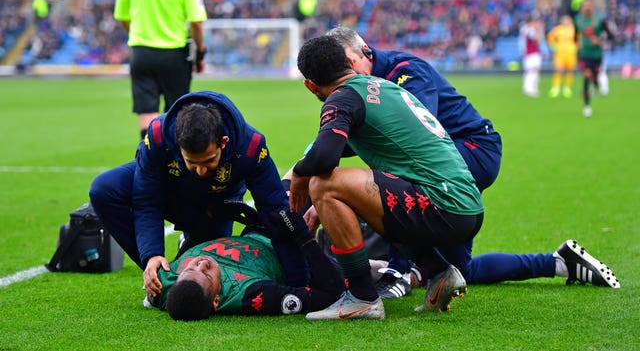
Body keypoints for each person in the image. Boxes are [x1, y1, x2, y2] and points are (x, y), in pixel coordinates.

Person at [321, 26, 620, 295]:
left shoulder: (405, 70)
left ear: (366, 52)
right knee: (461, 270)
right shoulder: (362, 86)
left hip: (475, 149)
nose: (346, 74)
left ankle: (398, 272)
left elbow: (409, 136)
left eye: (349, 64)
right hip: (449, 157)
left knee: (395, 175)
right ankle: (558, 263)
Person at [290, 35, 486, 320]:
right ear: (348, 63)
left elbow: (324, 159)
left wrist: (298, 173)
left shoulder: (342, 99)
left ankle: (361, 297)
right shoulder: (383, 86)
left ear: (310, 85)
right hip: (464, 204)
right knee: (361, 192)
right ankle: (437, 271)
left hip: (444, 206)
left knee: (322, 183)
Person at [89, 90, 311, 301]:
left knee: (209, 262)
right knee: (104, 189)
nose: (202, 171)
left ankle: (191, 242)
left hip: (214, 205)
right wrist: (151, 254)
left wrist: (299, 282)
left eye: (209, 161)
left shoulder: (251, 146)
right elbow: (147, 201)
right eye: (192, 162)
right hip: (171, 191)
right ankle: (161, 276)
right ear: (179, 145)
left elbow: (275, 210)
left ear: (223, 143)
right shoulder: (157, 136)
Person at [144, 209, 344, 321]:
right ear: (216, 301)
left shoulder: (164, 285)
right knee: (322, 185)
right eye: (206, 275)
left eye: (190, 268)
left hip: (254, 230)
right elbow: (329, 292)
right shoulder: (251, 294)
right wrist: (302, 236)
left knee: (300, 174)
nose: (201, 264)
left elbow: (155, 294)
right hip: (284, 241)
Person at [113, 0, 208, 140]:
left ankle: (149, 161)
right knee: (177, 113)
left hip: (141, 51)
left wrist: (138, 35)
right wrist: (200, 51)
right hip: (174, 52)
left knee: (146, 111)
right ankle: (174, 164)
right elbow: (196, 20)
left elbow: (122, 16)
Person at [573, 0, 616, 117]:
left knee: (595, 77)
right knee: (587, 76)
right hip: (584, 53)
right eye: (585, 6)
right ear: (582, 8)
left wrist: (600, 41)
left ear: (592, 7)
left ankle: (596, 85)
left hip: (597, 54)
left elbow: (611, 35)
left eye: (589, 6)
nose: (587, 8)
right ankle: (587, 106)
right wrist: (577, 43)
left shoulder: (600, 19)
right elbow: (575, 35)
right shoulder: (578, 20)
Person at [546, 14, 577, 98]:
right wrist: (553, 46)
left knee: (570, 70)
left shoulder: (574, 29)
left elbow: (578, 39)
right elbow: (549, 37)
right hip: (560, 53)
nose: (565, 21)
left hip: (571, 53)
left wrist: (576, 47)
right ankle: (556, 87)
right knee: (558, 70)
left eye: (567, 20)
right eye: (564, 20)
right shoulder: (558, 29)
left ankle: (567, 87)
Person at [519, 10, 544, 98]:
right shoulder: (528, 29)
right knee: (531, 70)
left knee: (534, 70)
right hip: (530, 53)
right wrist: (539, 30)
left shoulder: (526, 28)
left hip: (533, 52)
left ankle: (532, 87)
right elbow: (537, 39)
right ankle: (529, 88)